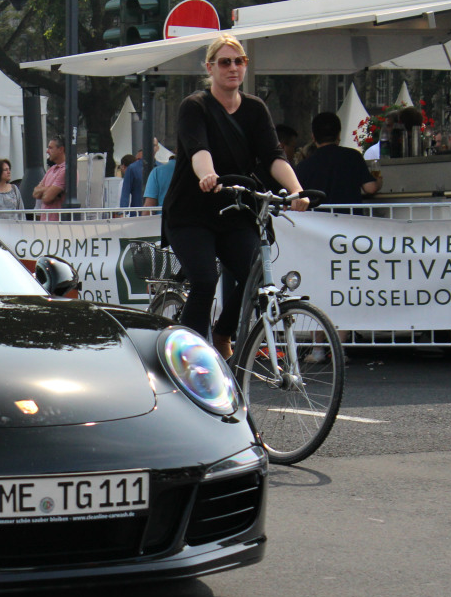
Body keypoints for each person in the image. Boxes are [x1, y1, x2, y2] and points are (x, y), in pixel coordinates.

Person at [161, 34, 309, 359]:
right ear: (210, 67)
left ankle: (223, 332)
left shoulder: (255, 108)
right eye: (224, 62)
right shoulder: (195, 106)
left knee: (254, 273)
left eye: (238, 61)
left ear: (245, 66)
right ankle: (189, 358)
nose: (232, 68)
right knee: (204, 279)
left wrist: (296, 190)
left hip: (234, 209)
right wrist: (207, 176)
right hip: (191, 212)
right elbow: (198, 148)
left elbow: (274, 156)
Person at [295, 111, 381, 207]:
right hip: (349, 219)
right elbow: (370, 188)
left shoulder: (303, 166)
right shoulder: (353, 157)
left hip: (316, 220)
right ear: (338, 135)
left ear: (313, 137)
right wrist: (378, 180)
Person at [32, 138, 66, 214]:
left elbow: (47, 198)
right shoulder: (51, 169)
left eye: (50, 148)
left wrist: (43, 191)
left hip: (57, 223)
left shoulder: (65, 170)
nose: (47, 151)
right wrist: (50, 189)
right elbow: (35, 193)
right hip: (45, 222)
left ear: (61, 149)